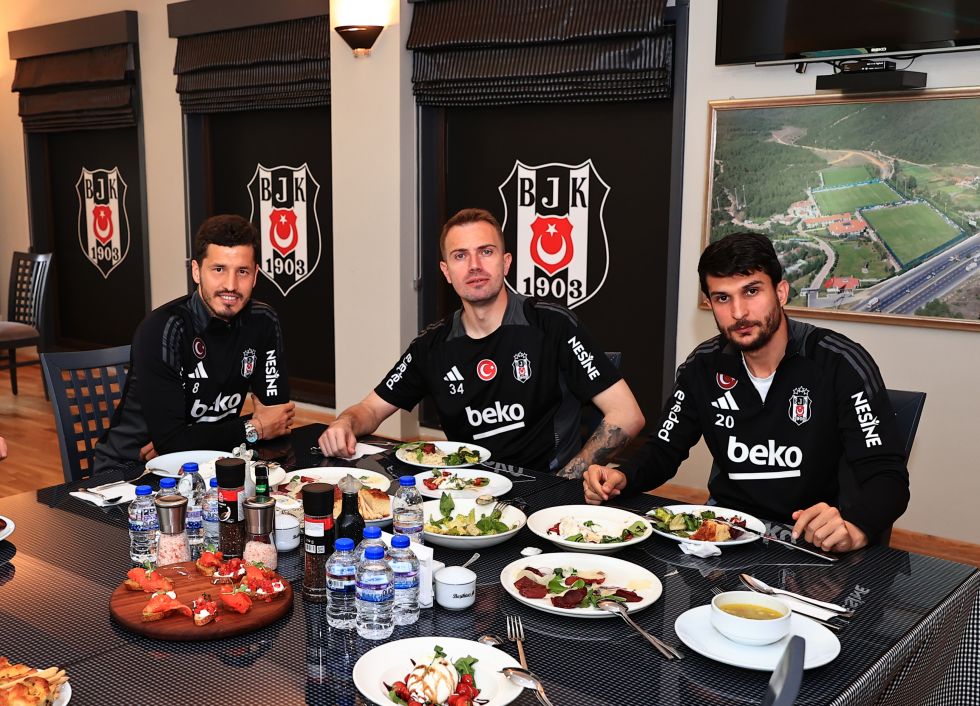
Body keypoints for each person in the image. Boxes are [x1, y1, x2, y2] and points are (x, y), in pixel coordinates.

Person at [584, 232, 909, 553]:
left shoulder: (839, 362)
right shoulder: (703, 366)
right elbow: (664, 450)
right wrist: (623, 476)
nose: (738, 312)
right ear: (709, 304)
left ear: (780, 292)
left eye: (751, 291)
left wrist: (856, 527)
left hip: (811, 543)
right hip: (725, 538)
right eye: (723, 298)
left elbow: (886, 474)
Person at [318, 208, 644, 476]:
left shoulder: (551, 324)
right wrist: (345, 423)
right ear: (446, 271)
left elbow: (627, 414)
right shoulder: (431, 346)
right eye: (460, 256)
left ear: (506, 262)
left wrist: (564, 483)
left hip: (544, 487)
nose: (474, 265)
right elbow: (371, 408)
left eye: (486, 252)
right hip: (467, 492)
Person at [94, 215, 295, 475]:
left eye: (242, 272)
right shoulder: (163, 329)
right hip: (132, 471)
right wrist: (253, 428)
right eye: (219, 269)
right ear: (196, 271)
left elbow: (277, 418)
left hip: (211, 465)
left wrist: (187, 443)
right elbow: (172, 443)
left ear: (255, 275)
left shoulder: (263, 320)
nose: (231, 285)